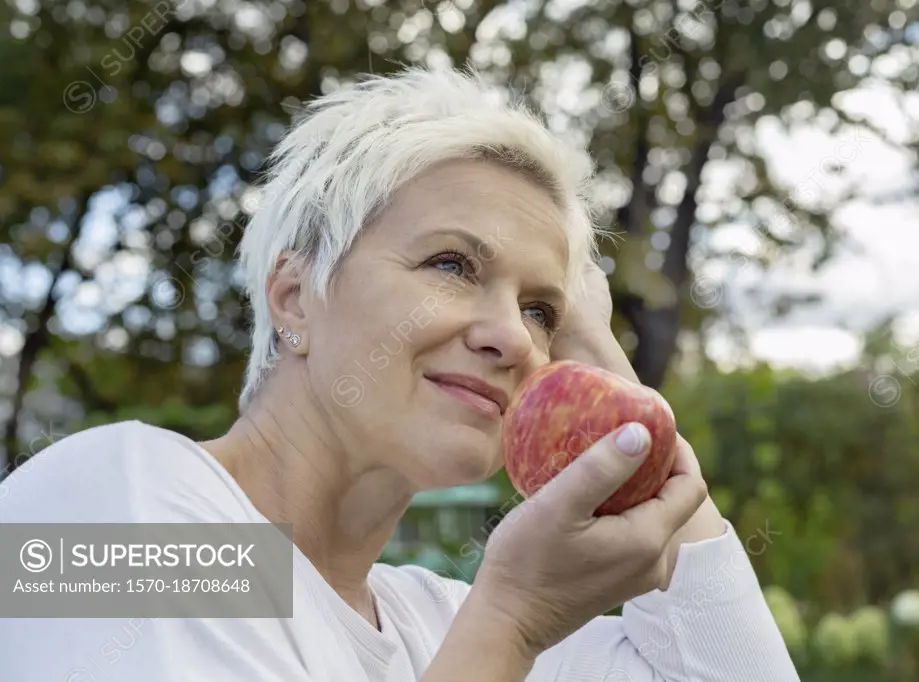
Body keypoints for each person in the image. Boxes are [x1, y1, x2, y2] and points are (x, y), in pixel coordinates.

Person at [0, 66, 799, 681]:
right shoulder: (112, 499)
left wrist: (600, 363)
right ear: (294, 298)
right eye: (451, 263)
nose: (514, 340)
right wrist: (512, 623)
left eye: (539, 311)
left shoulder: (430, 617)